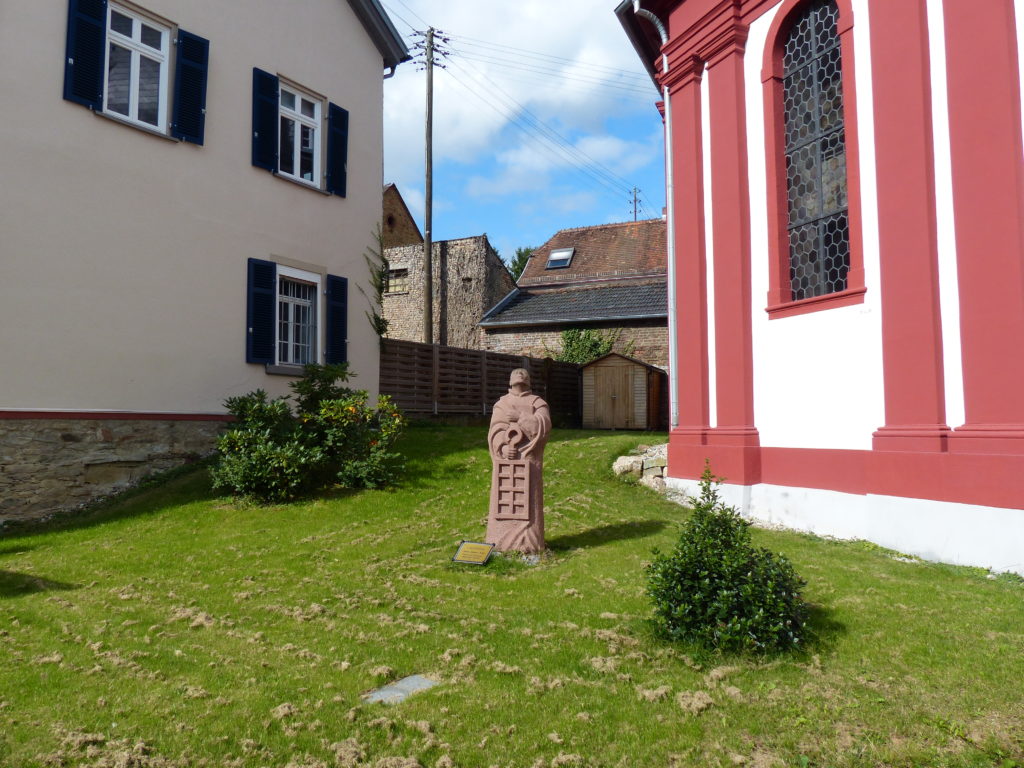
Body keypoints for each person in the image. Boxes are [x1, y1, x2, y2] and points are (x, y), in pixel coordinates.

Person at [486, 368, 551, 553]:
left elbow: (543, 428)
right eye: (516, 377)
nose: (520, 380)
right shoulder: (502, 404)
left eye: (523, 378)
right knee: (503, 501)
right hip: (506, 463)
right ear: (510, 381)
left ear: (529, 381)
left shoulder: (538, 403)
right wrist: (504, 448)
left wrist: (520, 418)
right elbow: (495, 430)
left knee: (530, 500)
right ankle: (498, 541)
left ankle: (529, 544)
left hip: (530, 461)